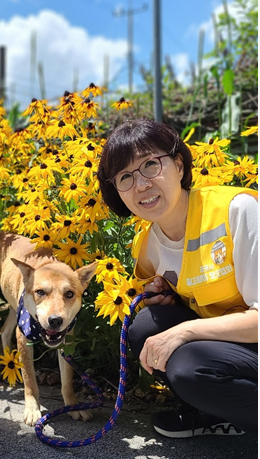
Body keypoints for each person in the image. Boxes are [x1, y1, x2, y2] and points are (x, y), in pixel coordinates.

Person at [97, 118, 258, 438]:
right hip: (237, 346)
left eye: (150, 165)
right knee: (146, 325)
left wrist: (184, 331)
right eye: (125, 177)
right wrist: (165, 298)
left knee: (188, 366)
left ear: (179, 165)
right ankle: (216, 412)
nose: (141, 184)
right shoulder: (147, 247)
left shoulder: (236, 210)